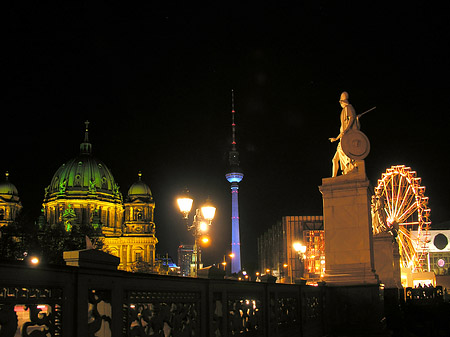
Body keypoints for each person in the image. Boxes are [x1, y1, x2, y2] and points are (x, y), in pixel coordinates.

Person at [329, 92, 360, 177]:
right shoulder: (345, 110)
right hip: (343, 138)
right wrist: (335, 139)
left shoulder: (348, 108)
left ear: (342, 102)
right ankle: (333, 178)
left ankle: (347, 170)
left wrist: (347, 129)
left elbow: (351, 118)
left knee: (343, 158)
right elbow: (342, 131)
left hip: (347, 139)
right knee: (334, 159)